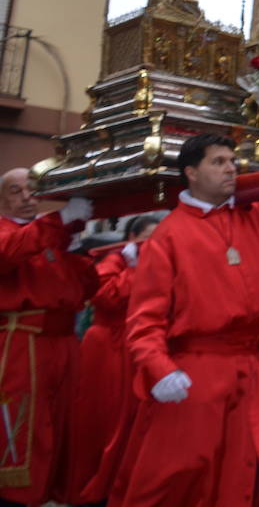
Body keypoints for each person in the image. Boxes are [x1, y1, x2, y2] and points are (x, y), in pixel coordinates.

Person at [112, 134, 259, 506]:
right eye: (218, 162)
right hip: (196, 374)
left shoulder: (256, 215)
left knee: (258, 468)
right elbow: (144, 321)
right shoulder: (168, 237)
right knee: (183, 474)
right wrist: (160, 369)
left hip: (251, 371)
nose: (231, 168)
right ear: (191, 172)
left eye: (232, 160)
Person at [0, 169, 92, 507]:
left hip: (64, 342)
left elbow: (85, 290)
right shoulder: (10, 231)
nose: (26, 196)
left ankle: (50, 493)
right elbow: (9, 252)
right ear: (2, 199)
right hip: (23, 342)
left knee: (63, 423)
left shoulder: (48, 233)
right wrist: (60, 220)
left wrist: (76, 247)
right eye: (15, 191)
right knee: (24, 426)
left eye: (32, 190)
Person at [68, 214, 160, 505]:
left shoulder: (161, 261)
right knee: (108, 420)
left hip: (141, 348)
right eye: (147, 239)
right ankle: (101, 488)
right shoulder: (114, 260)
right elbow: (106, 296)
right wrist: (136, 267)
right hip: (109, 348)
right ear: (132, 239)